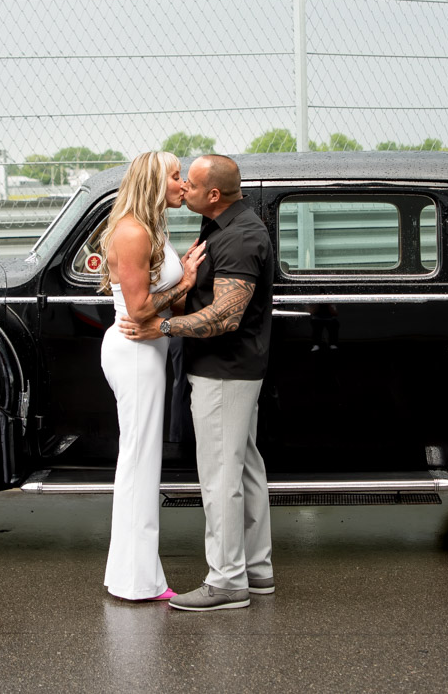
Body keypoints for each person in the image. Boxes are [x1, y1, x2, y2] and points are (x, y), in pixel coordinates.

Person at [122, 154, 275, 612]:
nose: (182, 186)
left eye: (190, 182)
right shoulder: (222, 224)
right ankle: (257, 569)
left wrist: (163, 328)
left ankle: (227, 581)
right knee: (244, 466)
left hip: (223, 369)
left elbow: (227, 316)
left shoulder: (241, 236)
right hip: (232, 368)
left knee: (221, 474)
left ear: (213, 194)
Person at [98, 151, 206, 601]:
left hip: (149, 350)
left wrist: (181, 280)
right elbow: (141, 308)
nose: (183, 184)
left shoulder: (153, 228)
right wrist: (184, 281)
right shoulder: (132, 231)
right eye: (176, 176)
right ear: (153, 182)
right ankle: (138, 583)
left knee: (140, 465)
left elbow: (165, 305)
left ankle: (131, 577)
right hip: (136, 353)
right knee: (139, 467)